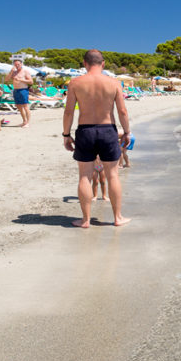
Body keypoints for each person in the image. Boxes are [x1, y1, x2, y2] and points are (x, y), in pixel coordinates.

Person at [62, 49, 131, 228]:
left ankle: (85, 220)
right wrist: (127, 132)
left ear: (85, 63)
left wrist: (66, 135)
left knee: (84, 176)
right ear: (103, 63)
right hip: (108, 130)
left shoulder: (75, 83)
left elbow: (68, 112)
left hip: (85, 131)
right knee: (113, 175)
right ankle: (117, 218)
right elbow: (122, 111)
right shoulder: (114, 83)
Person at [6, 60, 34, 128]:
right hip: (16, 90)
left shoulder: (25, 71)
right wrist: (11, 71)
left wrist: (21, 80)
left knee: (25, 106)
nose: (17, 66)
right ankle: (24, 121)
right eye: (15, 65)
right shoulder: (14, 72)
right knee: (19, 107)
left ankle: (27, 122)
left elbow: (31, 82)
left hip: (23, 90)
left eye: (18, 64)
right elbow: (6, 79)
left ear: (21, 64)